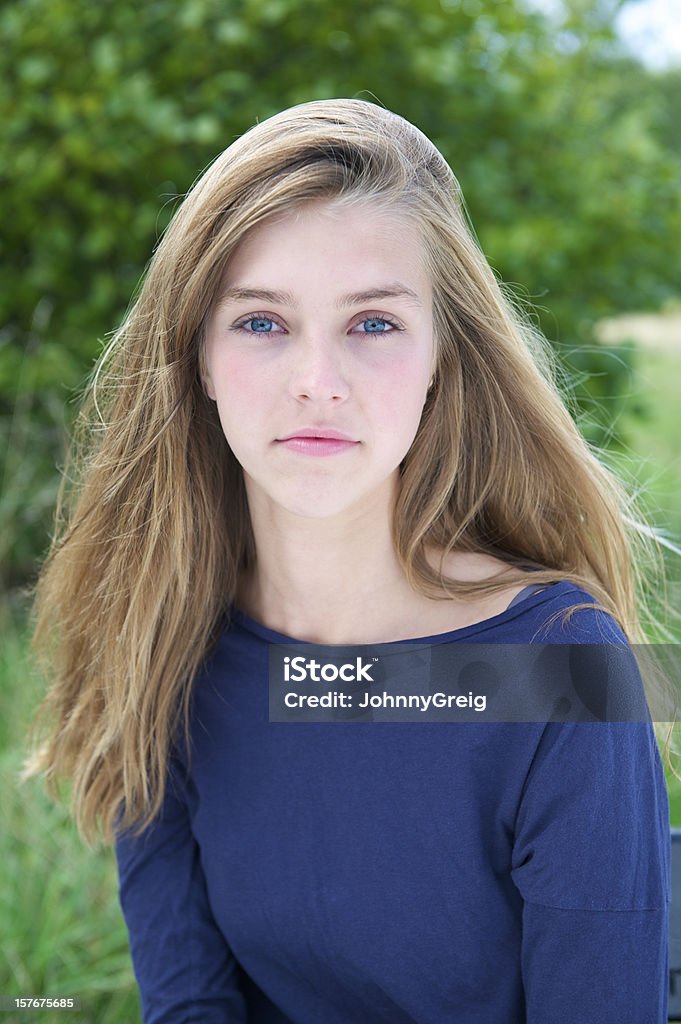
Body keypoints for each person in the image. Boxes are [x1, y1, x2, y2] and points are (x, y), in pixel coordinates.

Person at [24, 98, 671, 1022]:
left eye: (372, 324)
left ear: (443, 355)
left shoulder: (568, 667)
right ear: (197, 355)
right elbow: (190, 1003)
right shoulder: (160, 631)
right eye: (260, 322)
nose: (315, 380)